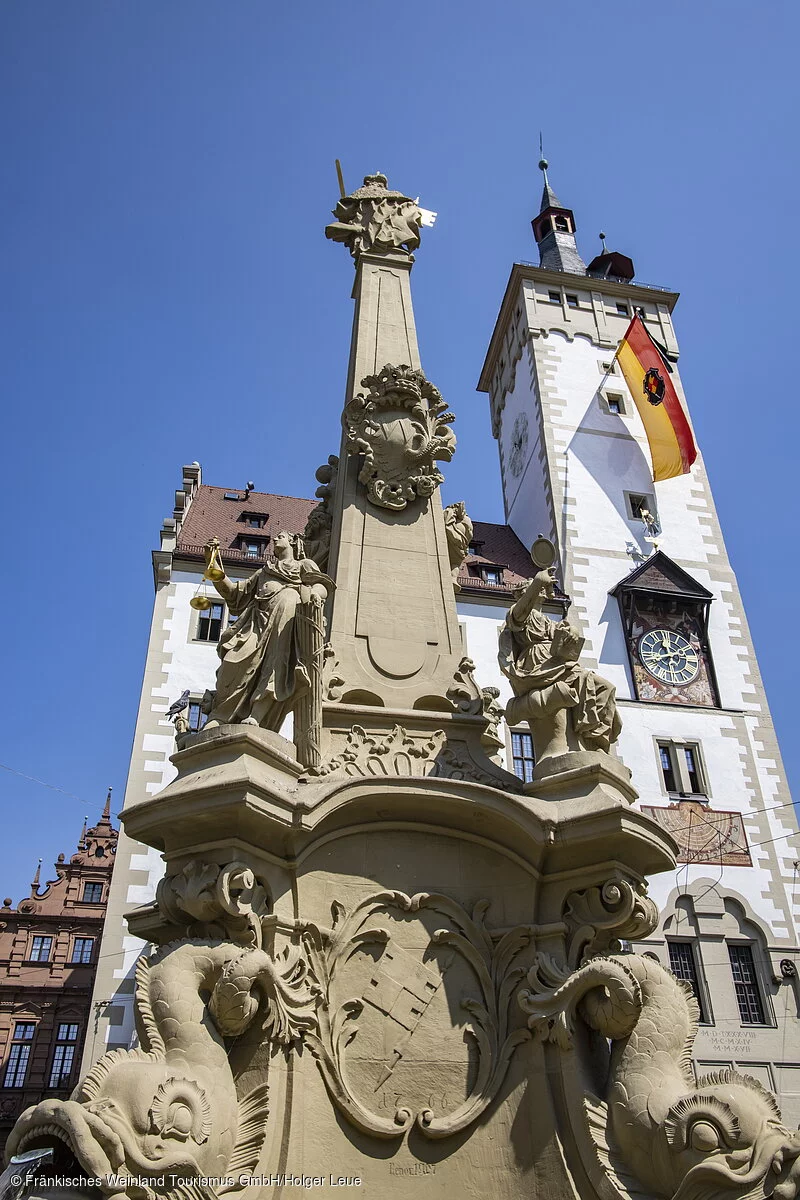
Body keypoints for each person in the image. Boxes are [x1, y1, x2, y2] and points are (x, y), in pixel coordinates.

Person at [202, 532, 331, 731]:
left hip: (285, 624)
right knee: (232, 662)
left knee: (275, 667)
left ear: (292, 542)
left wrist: (314, 594)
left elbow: (321, 584)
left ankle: (257, 715)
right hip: (256, 623)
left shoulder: (303, 565)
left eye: (280, 536)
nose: (274, 539)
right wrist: (213, 566)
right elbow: (234, 594)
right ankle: (222, 714)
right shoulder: (264, 571)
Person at [498, 566, 621, 758]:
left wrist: (572, 633)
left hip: (559, 662)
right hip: (537, 664)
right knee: (576, 690)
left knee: (605, 687)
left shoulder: (549, 621)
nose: (543, 590)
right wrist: (538, 581)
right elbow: (520, 612)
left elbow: (566, 642)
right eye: (537, 588)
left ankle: (594, 738)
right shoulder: (519, 614)